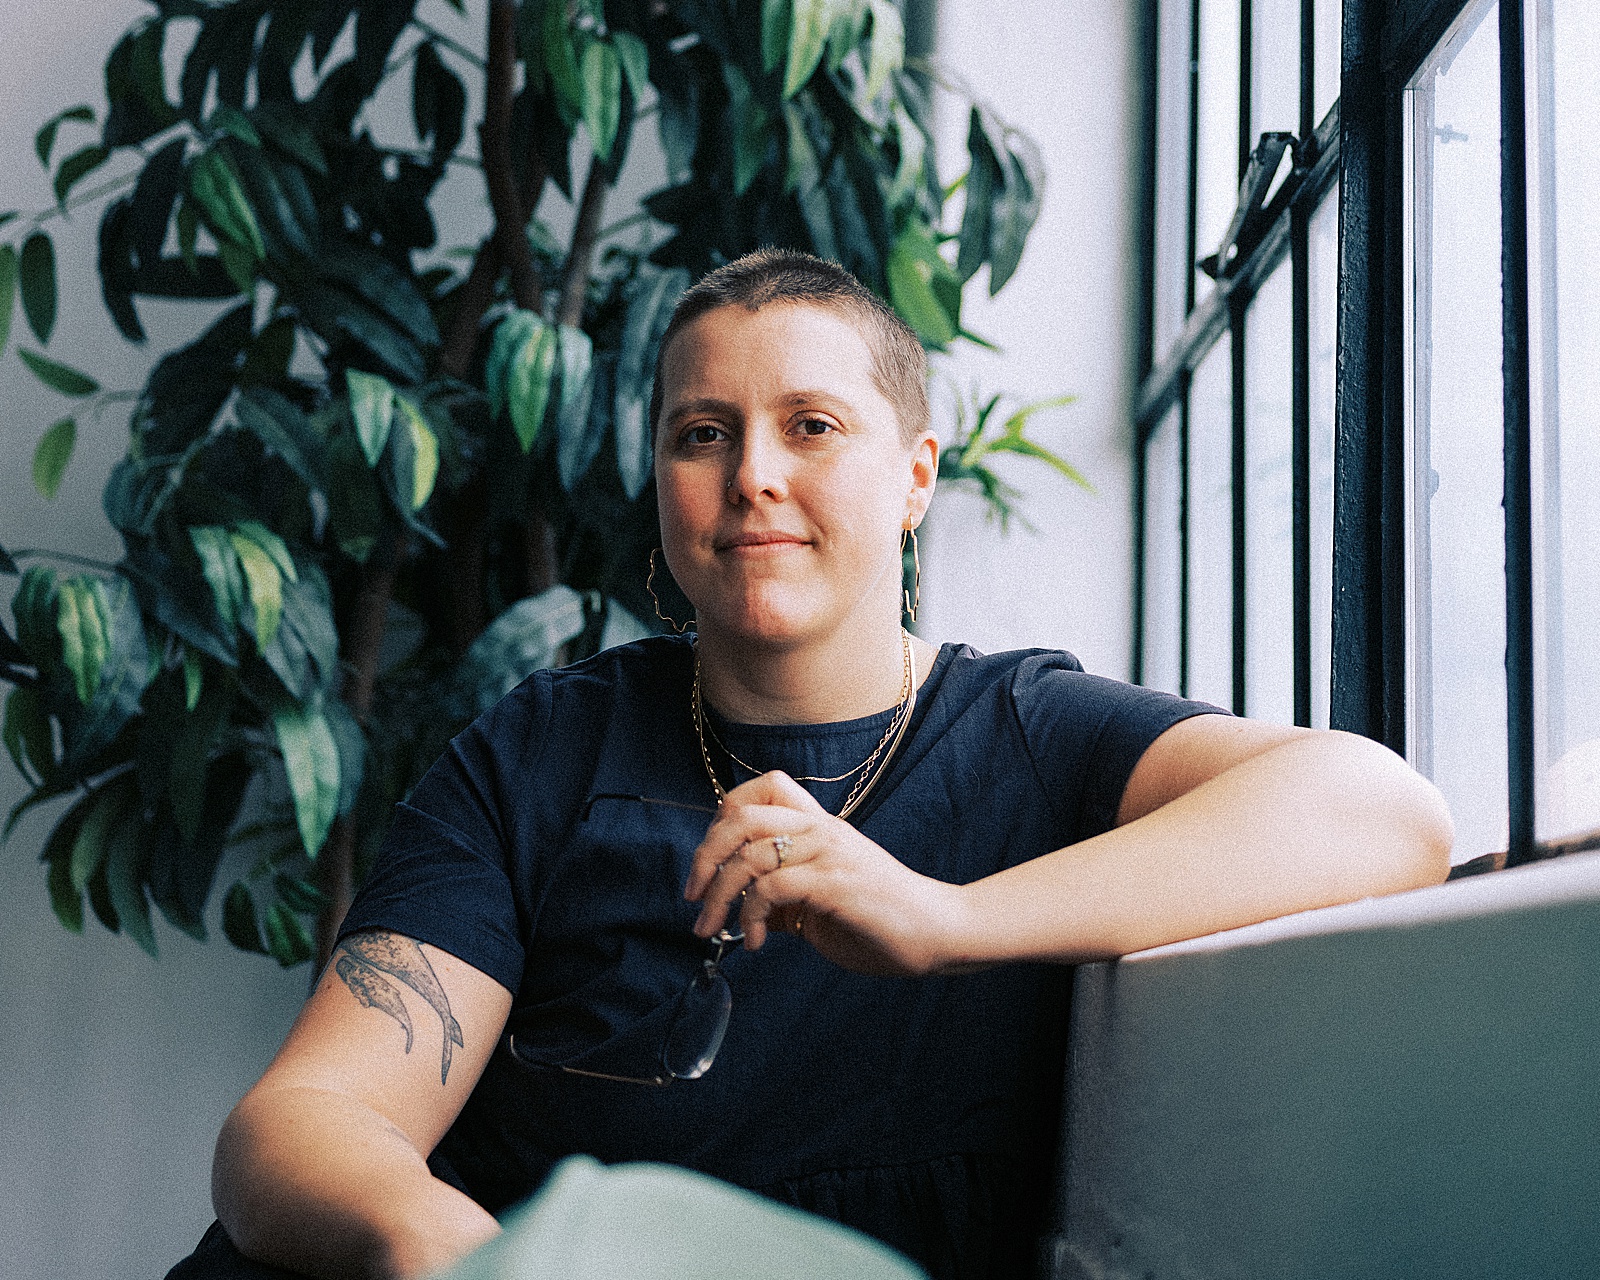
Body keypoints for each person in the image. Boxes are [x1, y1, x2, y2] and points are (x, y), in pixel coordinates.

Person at [175, 250, 1452, 1280]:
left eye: (812, 426)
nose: (754, 477)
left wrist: (940, 917)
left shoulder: (1027, 732)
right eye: (702, 433)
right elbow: (298, 1121)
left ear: (914, 478)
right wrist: (456, 1248)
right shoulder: (541, 748)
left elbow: (1382, 812)